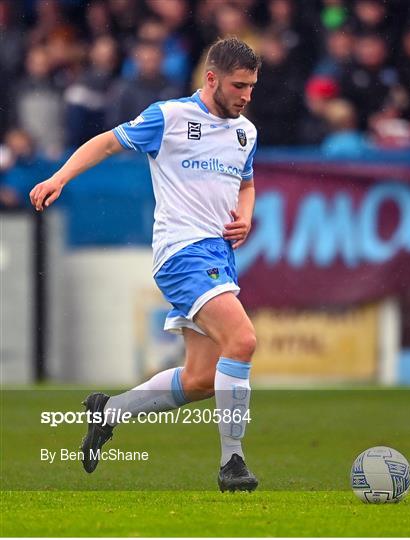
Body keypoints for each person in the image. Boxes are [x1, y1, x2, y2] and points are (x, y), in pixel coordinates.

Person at [29, 37, 261, 493]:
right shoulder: (169, 117)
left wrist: (246, 216)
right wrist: (58, 177)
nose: (246, 95)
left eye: (252, 86)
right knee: (243, 339)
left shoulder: (244, 132)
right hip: (182, 252)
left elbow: (247, 183)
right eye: (239, 85)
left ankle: (108, 412)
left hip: (219, 255)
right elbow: (106, 143)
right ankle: (232, 463)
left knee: (200, 380)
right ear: (211, 78)